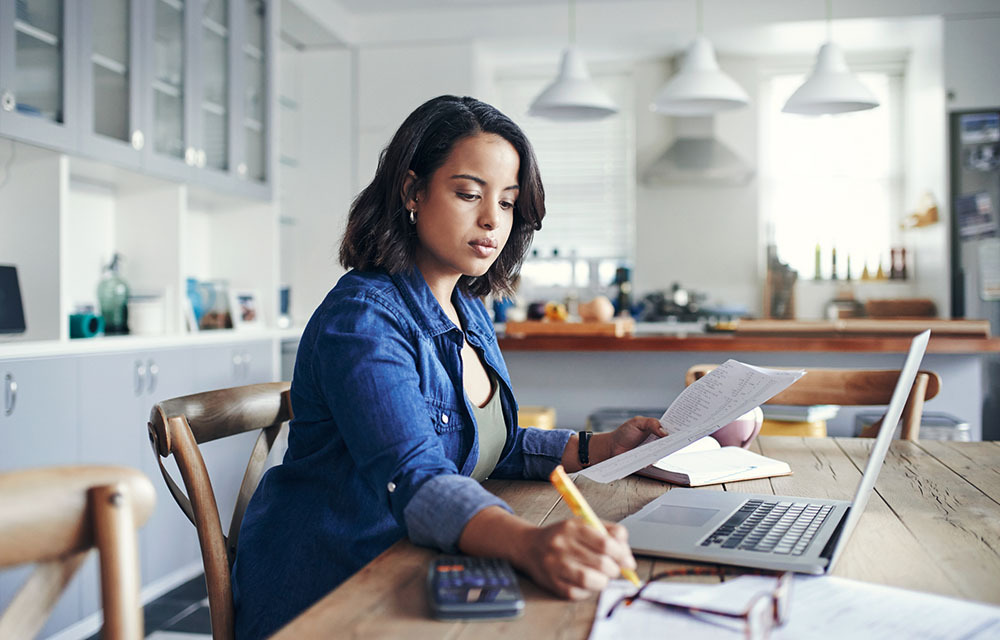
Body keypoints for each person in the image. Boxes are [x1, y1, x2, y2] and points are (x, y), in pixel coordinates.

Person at [231, 95, 665, 638]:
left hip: (415, 567)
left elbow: (490, 444)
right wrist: (529, 542)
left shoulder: (469, 309)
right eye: (468, 194)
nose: (491, 220)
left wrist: (599, 448)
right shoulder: (363, 319)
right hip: (335, 591)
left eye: (507, 203)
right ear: (412, 191)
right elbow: (417, 475)